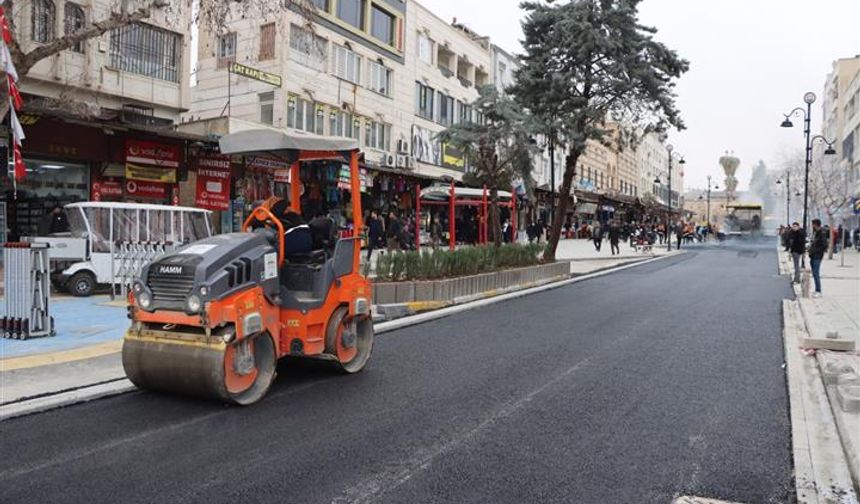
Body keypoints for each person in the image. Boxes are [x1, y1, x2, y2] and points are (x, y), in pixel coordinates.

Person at [809, 219, 827, 298]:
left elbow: (824, 245)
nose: (812, 226)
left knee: (816, 273)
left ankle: (818, 290)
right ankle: (816, 289)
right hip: (813, 255)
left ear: (815, 225)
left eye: (813, 224)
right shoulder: (815, 233)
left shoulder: (822, 233)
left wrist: (816, 250)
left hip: (817, 255)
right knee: (814, 273)